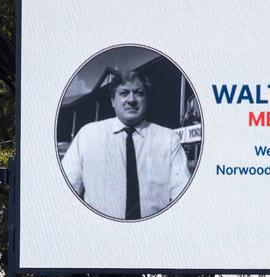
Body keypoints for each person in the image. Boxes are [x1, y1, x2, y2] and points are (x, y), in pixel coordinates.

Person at [61, 68, 190, 220]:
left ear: (147, 100)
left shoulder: (168, 139)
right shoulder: (87, 135)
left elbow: (183, 197)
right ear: (112, 101)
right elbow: (65, 194)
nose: (131, 99)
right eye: (124, 93)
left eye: (139, 93)